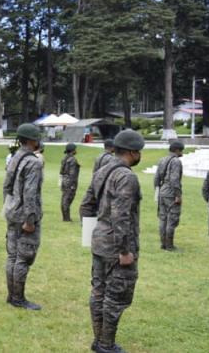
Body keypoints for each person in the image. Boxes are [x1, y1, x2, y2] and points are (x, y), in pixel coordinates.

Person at [79, 129, 145, 353]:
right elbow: (121, 216)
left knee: (98, 292)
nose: (139, 156)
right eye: (138, 152)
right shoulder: (126, 176)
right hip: (117, 248)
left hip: (100, 243)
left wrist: (92, 237)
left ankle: (99, 340)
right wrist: (125, 250)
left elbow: (86, 205)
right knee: (115, 297)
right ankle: (105, 344)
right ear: (131, 152)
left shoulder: (103, 170)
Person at [2, 123, 44, 311]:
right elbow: (30, 193)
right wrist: (30, 219)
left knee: (12, 256)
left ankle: (12, 296)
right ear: (33, 140)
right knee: (23, 258)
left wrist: (9, 207)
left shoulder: (15, 157)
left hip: (12, 212)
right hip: (24, 217)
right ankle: (18, 298)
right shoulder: (33, 162)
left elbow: (6, 186)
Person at [154, 141, 184, 251]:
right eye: (181, 151)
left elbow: (156, 178)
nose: (182, 153)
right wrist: (178, 195)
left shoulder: (162, 159)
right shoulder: (176, 161)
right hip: (171, 193)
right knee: (172, 219)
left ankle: (163, 244)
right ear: (177, 150)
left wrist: (157, 191)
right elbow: (174, 179)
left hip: (162, 191)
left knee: (163, 219)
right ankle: (169, 246)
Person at [60, 143, 80, 222]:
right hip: (70, 182)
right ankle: (66, 218)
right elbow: (73, 174)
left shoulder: (64, 159)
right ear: (73, 150)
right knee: (68, 199)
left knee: (64, 198)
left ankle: (66, 216)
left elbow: (61, 171)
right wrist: (72, 185)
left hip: (64, 180)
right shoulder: (73, 160)